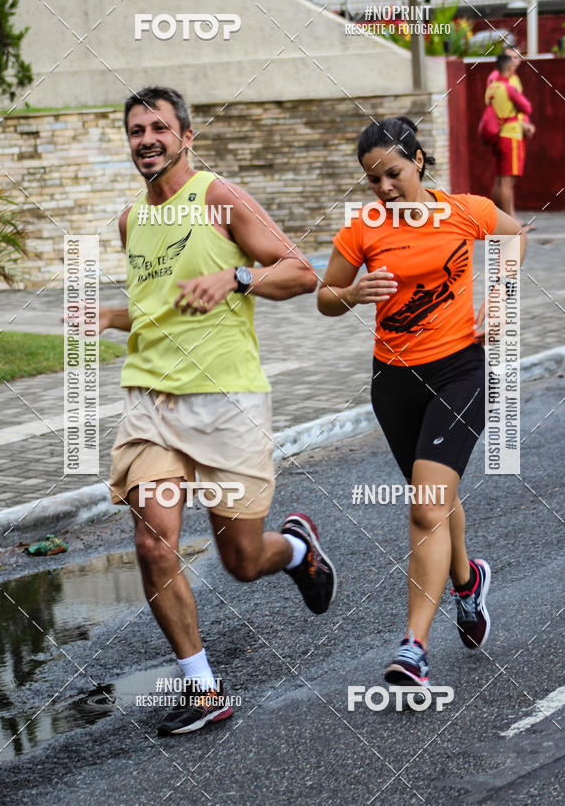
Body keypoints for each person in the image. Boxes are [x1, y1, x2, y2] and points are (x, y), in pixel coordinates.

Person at [98, 86, 336, 735]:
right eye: (136, 129)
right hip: (152, 401)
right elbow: (159, 307)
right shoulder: (129, 221)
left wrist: (235, 278)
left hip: (228, 400)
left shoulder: (218, 199)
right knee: (152, 543)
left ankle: (294, 552)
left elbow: (299, 271)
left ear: (186, 136)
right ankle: (203, 690)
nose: (146, 138)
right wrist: (110, 317)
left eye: (159, 128)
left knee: (240, 559)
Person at [317, 116, 525, 688]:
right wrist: (353, 293)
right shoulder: (363, 229)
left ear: (419, 161)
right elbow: (325, 298)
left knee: (426, 505)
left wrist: (501, 298)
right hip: (394, 381)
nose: (383, 188)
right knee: (434, 493)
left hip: (460, 371)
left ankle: (413, 648)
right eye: (372, 180)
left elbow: (515, 234)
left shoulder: (465, 210)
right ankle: (467, 581)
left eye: (393, 172)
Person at [485, 52, 535, 229]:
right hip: (511, 134)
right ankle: (510, 224)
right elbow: (526, 107)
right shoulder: (508, 86)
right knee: (507, 181)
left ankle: (501, 219)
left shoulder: (492, 87)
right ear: (507, 67)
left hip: (498, 135)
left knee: (500, 179)